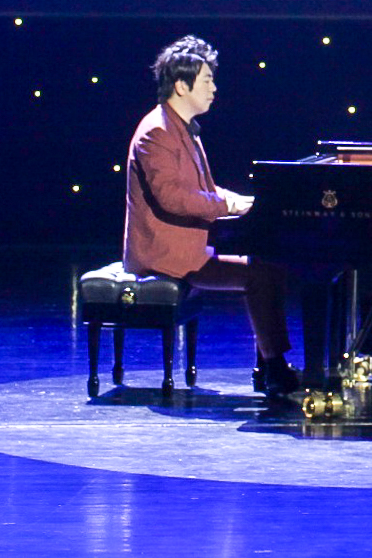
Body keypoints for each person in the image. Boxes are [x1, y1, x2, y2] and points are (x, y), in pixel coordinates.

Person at [124, 35, 299, 395]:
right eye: (206, 80)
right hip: (165, 255)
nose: (214, 88)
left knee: (270, 263)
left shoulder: (181, 127)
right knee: (259, 274)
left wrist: (244, 201)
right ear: (181, 85)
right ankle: (275, 368)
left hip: (190, 246)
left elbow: (205, 188)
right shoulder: (156, 132)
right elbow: (173, 198)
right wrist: (228, 206)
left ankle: (269, 365)